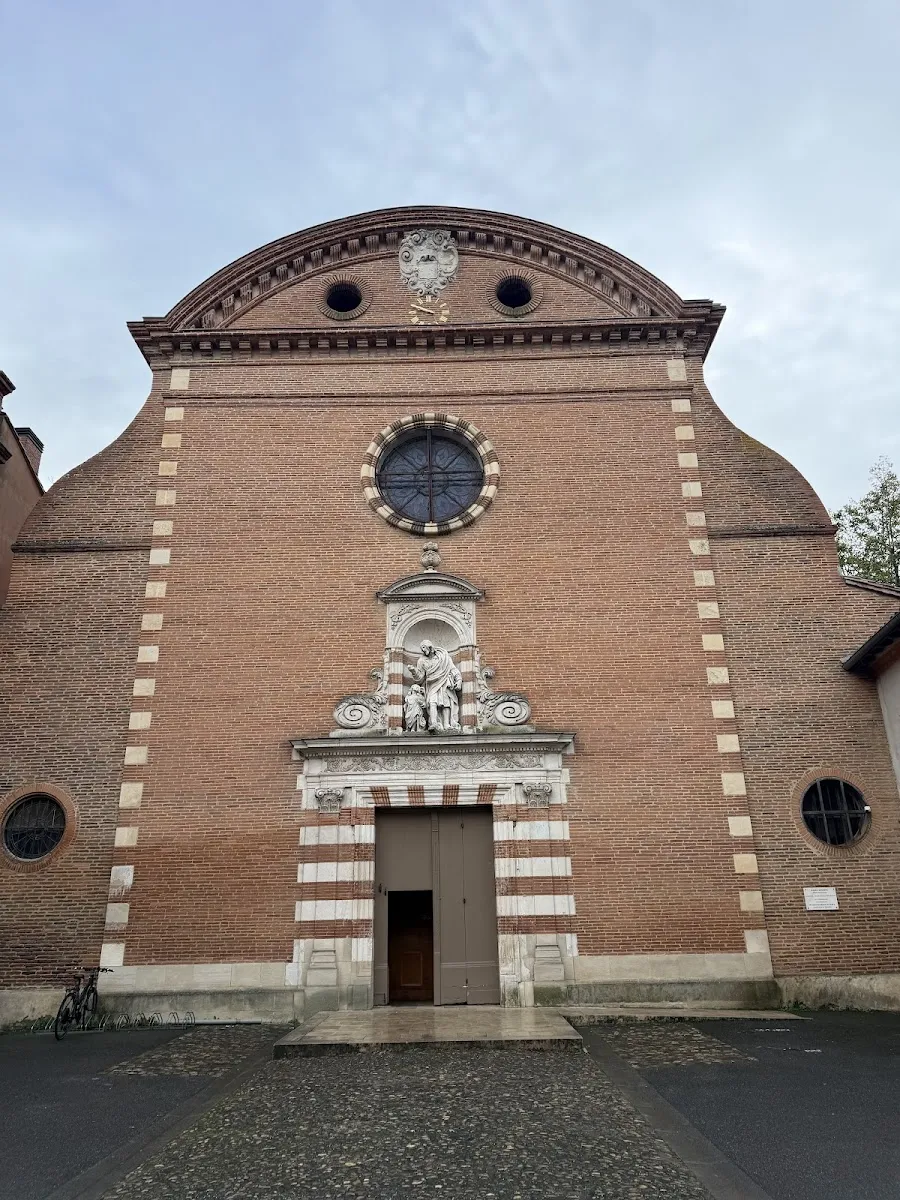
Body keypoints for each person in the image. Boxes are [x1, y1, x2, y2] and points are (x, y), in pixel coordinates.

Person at [409, 640, 461, 732]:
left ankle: (446, 724)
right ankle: (433, 723)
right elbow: (420, 678)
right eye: (422, 649)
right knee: (432, 702)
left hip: (444, 681)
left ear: (429, 646)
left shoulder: (443, 656)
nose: (423, 651)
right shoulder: (421, 661)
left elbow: (453, 669)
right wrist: (414, 671)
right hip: (431, 685)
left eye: (424, 648)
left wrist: (459, 680)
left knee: (446, 703)